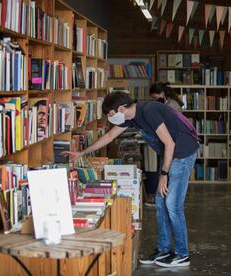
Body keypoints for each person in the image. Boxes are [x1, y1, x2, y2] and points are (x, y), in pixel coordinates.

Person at [63, 91, 198, 267]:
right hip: (169, 155)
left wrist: (163, 175)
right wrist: (82, 152)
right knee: (160, 202)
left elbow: (170, 143)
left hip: (182, 154)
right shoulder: (131, 116)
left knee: (173, 204)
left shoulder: (148, 111)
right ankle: (163, 249)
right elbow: (109, 136)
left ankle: (182, 254)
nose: (111, 119)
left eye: (111, 115)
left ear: (120, 108)